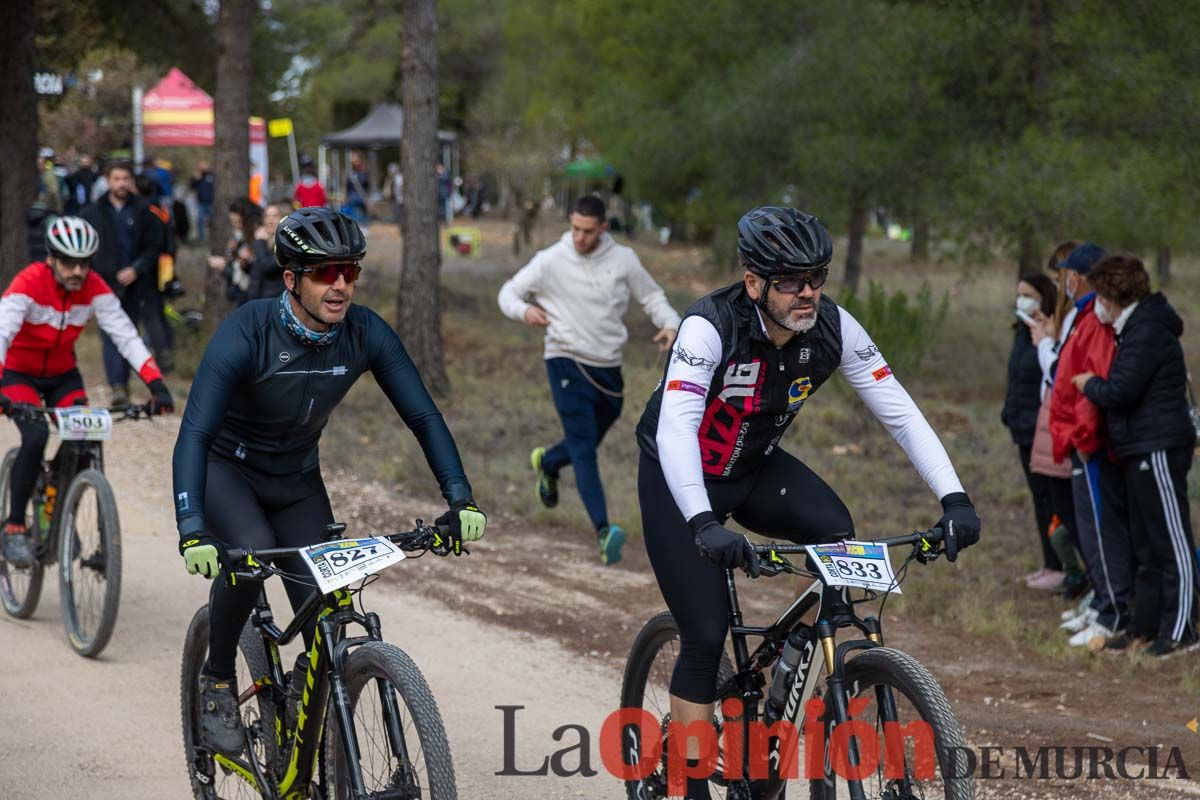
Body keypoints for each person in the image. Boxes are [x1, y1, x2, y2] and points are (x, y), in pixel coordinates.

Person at [635, 207, 979, 799]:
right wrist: (701, 522)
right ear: (754, 283)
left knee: (836, 530)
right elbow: (676, 430)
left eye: (816, 277)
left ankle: (794, 687)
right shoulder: (709, 325)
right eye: (791, 281)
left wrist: (954, 498)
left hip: (755, 468)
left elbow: (899, 412)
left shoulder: (834, 328)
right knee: (707, 627)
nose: (808, 293)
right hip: (680, 481)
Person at [171, 206, 486, 757]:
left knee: (328, 607)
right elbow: (194, 434)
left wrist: (459, 499)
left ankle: (302, 700)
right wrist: (193, 527)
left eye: (350, 271)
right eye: (324, 273)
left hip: (296, 479)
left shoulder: (363, 332)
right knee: (251, 561)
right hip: (229, 472)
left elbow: (424, 417)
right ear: (291, 279)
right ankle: (218, 679)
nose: (340, 284)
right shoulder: (247, 332)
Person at [498, 195, 682, 565]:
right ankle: (603, 531)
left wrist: (670, 324)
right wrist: (525, 310)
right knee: (583, 445)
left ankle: (549, 462)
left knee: (596, 430)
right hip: (564, 359)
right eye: (575, 229)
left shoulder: (623, 259)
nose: (580, 237)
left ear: (602, 227)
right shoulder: (551, 260)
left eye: (587, 231)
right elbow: (508, 293)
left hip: (607, 368)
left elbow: (651, 296)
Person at [0, 217, 173, 567]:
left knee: (86, 441)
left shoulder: (94, 287)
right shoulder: (28, 284)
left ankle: (60, 510)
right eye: (69, 262)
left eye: (85, 263)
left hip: (63, 375)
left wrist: (156, 384)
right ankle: (15, 527)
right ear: (51, 258)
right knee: (34, 437)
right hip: (20, 374)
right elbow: (2, 332)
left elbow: (124, 335)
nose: (78, 270)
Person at [1073, 255, 1197, 657]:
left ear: (1113, 294)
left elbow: (1122, 391)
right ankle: (1144, 627)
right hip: (1138, 447)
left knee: (1170, 540)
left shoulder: (1148, 331)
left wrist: (1090, 384)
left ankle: (1182, 630)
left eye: (1100, 295)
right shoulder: (1135, 329)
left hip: (1157, 446)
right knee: (1145, 544)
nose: (1097, 304)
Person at [1048, 243, 1132, 647]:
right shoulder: (1082, 316)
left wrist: (1083, 437)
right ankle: (1103, 601)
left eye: (1067, 273)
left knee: (1102, 532)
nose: (1064, 280)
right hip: (1078, 441)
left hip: (1090, 444)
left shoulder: (1093, 319)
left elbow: (1090, 381)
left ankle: (1113, 609)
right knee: (1090, 528)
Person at [1025, 242, 1086, 601]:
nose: (1057, 283)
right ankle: (1084, 578)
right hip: (1054, 422)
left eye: (1057, 276)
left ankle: (1090, 582)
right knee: (1061, 508)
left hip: (1070, 427)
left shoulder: (1078, 317)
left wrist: (1045, 345)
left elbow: (1061, 375)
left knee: (1073, 511)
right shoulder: (1067, 317)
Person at [79, 160, 162, 410]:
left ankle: (125, 380)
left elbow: (155, 246)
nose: (121, 184)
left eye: (125, 179)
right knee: (109, 335)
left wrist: (137, 268)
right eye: (117, 179)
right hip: (103, 285)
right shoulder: (92, 213)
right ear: (107, 180)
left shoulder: (144, 211)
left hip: (135, 285)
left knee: (129, 333)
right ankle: (117, 386)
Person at [1003, 273, 1063, 589]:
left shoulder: (1047, 335)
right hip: (1020, 426)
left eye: (1028, 294)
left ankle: (1060, 564)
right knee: (1039, 499)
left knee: (1049, 498)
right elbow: (1016, 379)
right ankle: (1049, 562)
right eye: (1019, 294)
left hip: (1040, 428)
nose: (1021, 300)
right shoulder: (1021, 333)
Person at [133, 173, 176, 372]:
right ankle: (167, 348)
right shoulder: (160, 206)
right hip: (165, 263)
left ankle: (163, 355)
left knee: (151, 312)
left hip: (153, 267)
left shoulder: (146, 210)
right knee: (157, 308)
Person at [207, 198, 261, 306]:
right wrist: (229, 255)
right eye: (232, 222)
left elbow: (251, 272)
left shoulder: (257, 238)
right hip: (239, 292)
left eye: (238, 222)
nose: (236, 226)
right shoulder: (239, 235)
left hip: (251, 295)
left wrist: (223, 267)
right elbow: (235, 261)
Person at [247, 202, 287, 300]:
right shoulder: (266, 240)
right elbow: (257, 272)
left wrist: (260, 242)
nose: (270, 220)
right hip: (258, 300)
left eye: (274, 216)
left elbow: (268, 266)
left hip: (274, 300)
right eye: (267, 216)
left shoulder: (284, 242)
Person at [190, 161, 215, 243]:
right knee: (200, 221)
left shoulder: (211, 175)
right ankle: (201, 238)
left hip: (211, 202)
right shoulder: (198, 177)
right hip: (201, 202)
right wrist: (195, 178)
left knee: (213, 221)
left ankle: (213, 237)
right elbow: (192, 187)